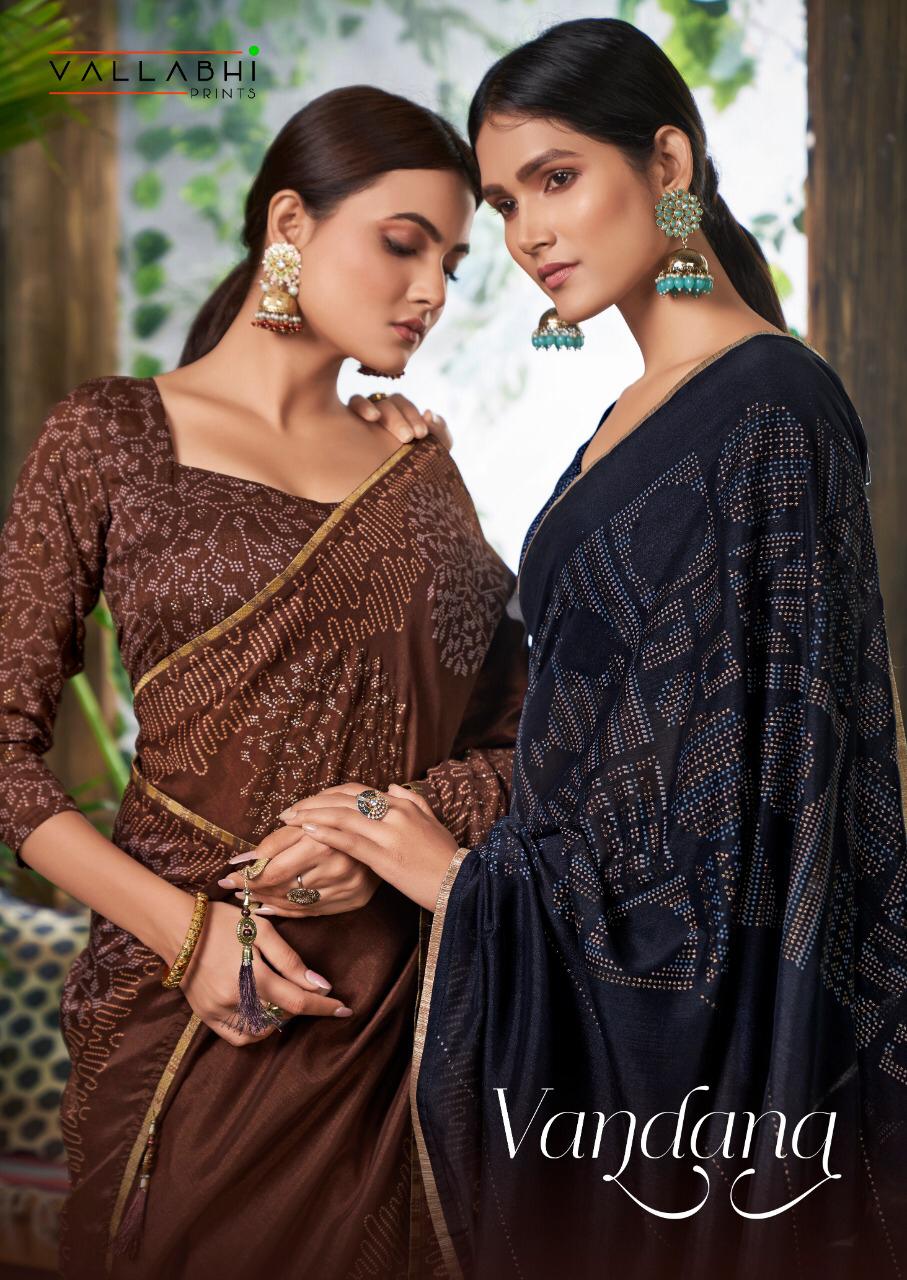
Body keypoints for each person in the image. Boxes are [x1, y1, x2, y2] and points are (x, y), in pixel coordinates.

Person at [283, 21, 907, 1279]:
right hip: (563, 962)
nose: (527, 234)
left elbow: (752, 820)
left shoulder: (774, 410)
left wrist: (472, 889)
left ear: (666, 164)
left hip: (697, 1052)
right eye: (506, 203)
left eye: (556, 179)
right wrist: (425, 495)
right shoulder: (633, 409)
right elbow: (585, 694)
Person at [0, 86, 528, 1278]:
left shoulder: (415, 472)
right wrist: (189, 937)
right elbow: (5, 750)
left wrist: (390, 822)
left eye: (451, 263)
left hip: (393, 1013)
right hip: (180, 1014)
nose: (433, 291)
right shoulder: (110, 437)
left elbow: (524, 731)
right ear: (291, 222)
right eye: (403, 244)